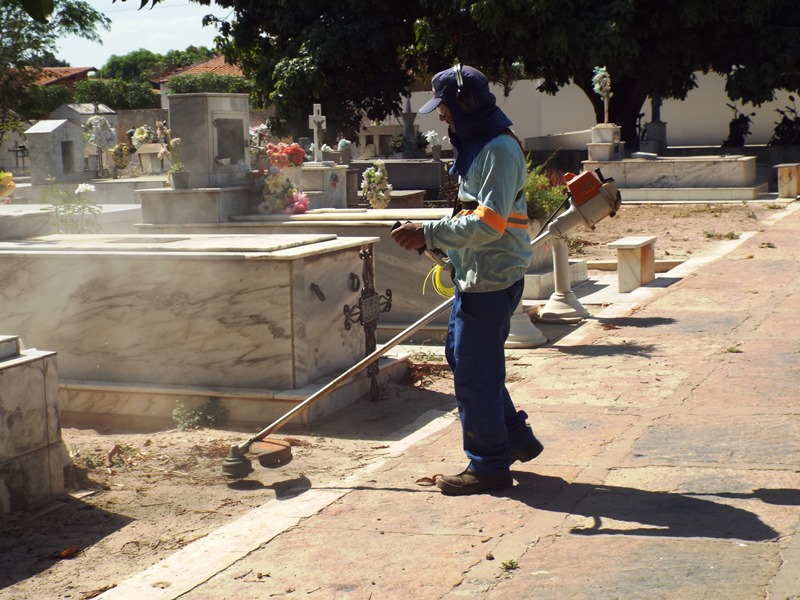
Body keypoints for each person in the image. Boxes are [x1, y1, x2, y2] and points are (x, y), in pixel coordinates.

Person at [391, 65, 543, 496]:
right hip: (478, 273)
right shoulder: (481, 145)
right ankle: (513, 436)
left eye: (445, 109)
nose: (442, 117)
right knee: (464, 359)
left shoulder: (498, 151)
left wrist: (429, 234)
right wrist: (434, 235)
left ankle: (488, 466)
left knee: (475, 374)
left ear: (467, 104)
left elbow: (490, 223)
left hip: (492, 277)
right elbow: (470, 210)